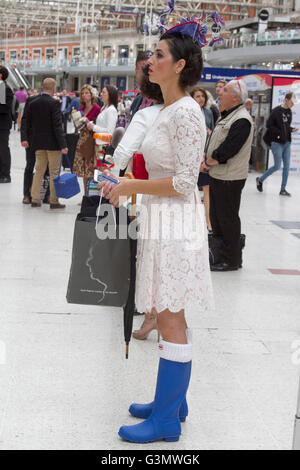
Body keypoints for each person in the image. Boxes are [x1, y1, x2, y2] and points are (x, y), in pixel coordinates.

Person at [99, 28, 213, 444]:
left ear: (180, 65)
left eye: (160, 54)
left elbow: (185, 182)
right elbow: (166, 173)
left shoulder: (184, 112)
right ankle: (172, 401)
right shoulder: (168, 109)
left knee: (169, 316)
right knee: (170, 314)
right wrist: (130, 180)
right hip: (163, 219)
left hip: (176, 224)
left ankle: (165, 418)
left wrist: (132, 187)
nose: (151, 59)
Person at [113, 66, 164, 342]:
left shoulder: (146, 115)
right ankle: (159, 317)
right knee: (169, 261)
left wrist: (114, 176)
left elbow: (122, 153)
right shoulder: (188, 110)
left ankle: (156, 316)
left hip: (150, 194)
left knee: (150, 258)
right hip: (182, 200)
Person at [201, 79, 254, 271]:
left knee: (227, 218)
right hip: (219, 175)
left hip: (230, 178)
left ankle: (232, 260)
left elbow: (229, 149)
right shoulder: (227, 115)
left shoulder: (241, 119)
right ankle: (220, 255)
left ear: (235, 97)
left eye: (225, 90)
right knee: (217, 218)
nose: (220, 92)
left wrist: (208, 162)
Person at [25, 77, 68, 209]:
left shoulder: (33, 102)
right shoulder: (54, 103)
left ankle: (35, 199)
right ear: (54, 89)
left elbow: (28, 122)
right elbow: (57, 125)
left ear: (42, 88)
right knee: (54, 172)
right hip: (53, 144)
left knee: (38, 170)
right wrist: (63, 144)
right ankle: (54, 201)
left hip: (38, 143)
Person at [256, 92, 298, 197]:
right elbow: (269, 125)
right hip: (277, 143)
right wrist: (279, 134)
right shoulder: (276, 111)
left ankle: (283, 189)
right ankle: (260, 180)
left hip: (287, 142)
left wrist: (291, 129)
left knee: (287, 166)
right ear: (286, 100)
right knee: (277, 166)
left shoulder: (289, 112)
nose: (292, 105)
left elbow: (286, 126)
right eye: (291, 102)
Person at [190, 86, 214, 232]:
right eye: (197, 96)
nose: (201, 99)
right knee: (191, 190)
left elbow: (212, 132)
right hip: (191, 156)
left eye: (202, 96)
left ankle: (208, 222)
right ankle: (193, 221)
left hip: (204, 155)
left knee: (207, 190)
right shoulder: (189, 112)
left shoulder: (208, 113)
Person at [73, 84, 101, 190]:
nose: (84, 95)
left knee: (91, 169)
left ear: (91, 94)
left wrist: (88, 121)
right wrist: (75, 117)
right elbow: (78, 126)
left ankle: (91, 194)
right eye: (82, 93)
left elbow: (98, 125)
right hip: (82, 139)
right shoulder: (81, 108)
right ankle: (85, 195)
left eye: (87, 93)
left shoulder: (97, 108)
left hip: (92, 140)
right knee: (83, 169)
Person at [0, 65, 13, 183]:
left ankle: (5, 174)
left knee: (3, 149)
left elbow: (5, 108)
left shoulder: (4, 88)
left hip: (2, 125)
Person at [130, 51, 153, 118]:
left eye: (150, 69)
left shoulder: (164, 101)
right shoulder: (137, 101)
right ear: (136, 71)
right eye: (144, 70)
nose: (148, 74)